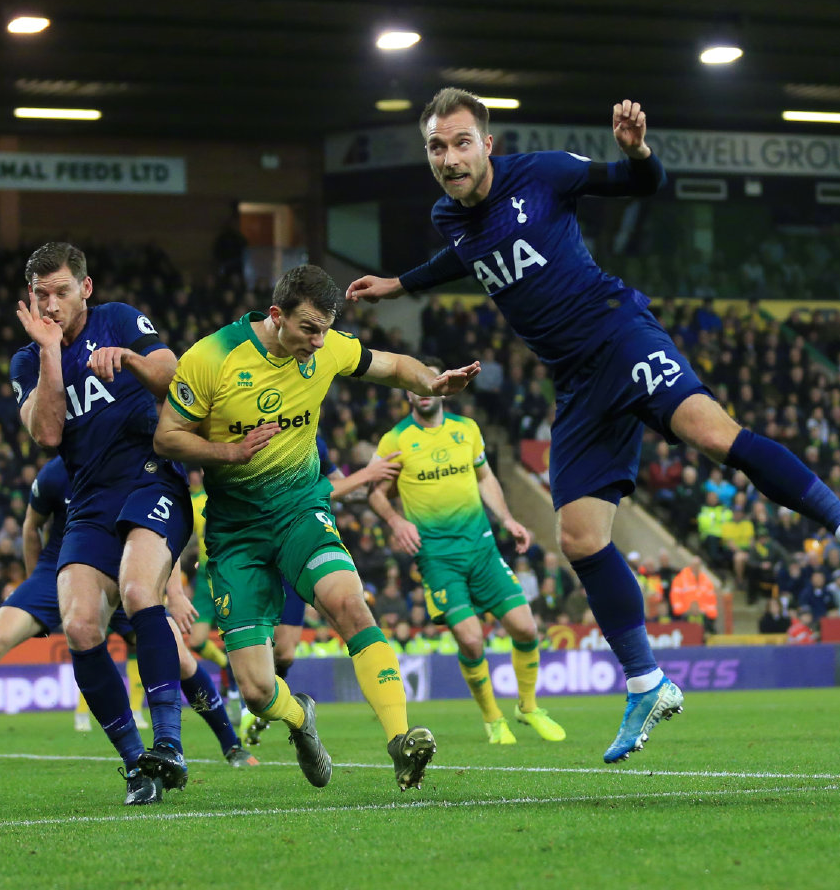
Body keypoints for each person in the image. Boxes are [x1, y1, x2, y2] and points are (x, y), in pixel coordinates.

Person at [346, 89, 840, 762]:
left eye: (462, 142)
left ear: (486, 145)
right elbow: (466, 257)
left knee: (713, 435)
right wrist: (399, 284)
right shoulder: (446, 215)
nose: (450, 157)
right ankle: (646, 682)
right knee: (578, 538)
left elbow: (639, 183)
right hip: (577, 383)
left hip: (618, 332)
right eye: (437, 146)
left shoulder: (544, 174)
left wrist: (637, 152)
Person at [155, 263, 480, 792]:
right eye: (309, 328)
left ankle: (401, 741)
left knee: (350, 603)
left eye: (326, 328)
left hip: (299, 510)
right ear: (277, 315)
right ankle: (301, 717)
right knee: (258, 691)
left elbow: (391, 365)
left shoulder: (326, 346)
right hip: (235, 533)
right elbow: (167, 437)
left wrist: (433, 381)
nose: (318, 340)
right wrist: (228, 451)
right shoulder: (211, 357)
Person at [0, 458, 254, 779]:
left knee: (181, 658)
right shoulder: (54, 474)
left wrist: (172, 592)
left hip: (123, 568)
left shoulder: (133, 462)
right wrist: (37, 586)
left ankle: (231, 745)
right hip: (58, 569)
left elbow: (160, 530)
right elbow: (32, 526)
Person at [12, 241, 197, 804]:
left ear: (84, 290)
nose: (50, 304)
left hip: (150, 477)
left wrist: (131, 359)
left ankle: (169, 742)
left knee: (142, 591)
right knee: (80, 626)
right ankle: (137, 764)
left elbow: (173, 376)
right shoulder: (26, 361)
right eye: (40, 294)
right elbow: (46, 434)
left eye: (61, 292)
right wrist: (48, 353)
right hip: (88, 501)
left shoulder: (118, 318)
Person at [368, 393, 564, 745]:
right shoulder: (396, 438)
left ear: (442, 389)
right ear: (408, 394)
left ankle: (528, 707)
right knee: (472, 640)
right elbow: (375, 491)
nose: (422, 392)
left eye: (429, 383)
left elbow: (486, 477)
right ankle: (493, 719)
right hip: (438, 558)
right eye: (414, 386)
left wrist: (507, 519)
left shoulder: (467, 429)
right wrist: (396, 522)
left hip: (482, 548)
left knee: (525, 628)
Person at [238, 436, 401, 748]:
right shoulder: (253, 426)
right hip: (253, 545)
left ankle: (266, 706)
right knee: (253, 643)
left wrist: (381, 484)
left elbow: (341, 486)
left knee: (285, 651)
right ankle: (250, 700)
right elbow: (323, 488)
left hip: (297, 545)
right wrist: (366, 474)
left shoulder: (313, 438)